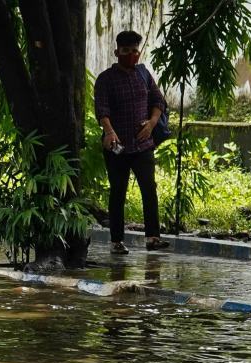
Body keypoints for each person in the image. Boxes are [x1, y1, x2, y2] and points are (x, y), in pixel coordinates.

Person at [94, 30, 169, 254]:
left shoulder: (143, 74)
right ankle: (117, 242)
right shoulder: (105, 79)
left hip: (142, 145)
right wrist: (109, 132)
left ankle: (153, 237)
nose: (131, 55)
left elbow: (158, 100)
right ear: (117, 52)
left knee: (149, 189)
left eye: (135, 51)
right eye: (126, 51)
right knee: (118, 192)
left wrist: (152, 123)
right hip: (116, 146)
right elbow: (102, 109)